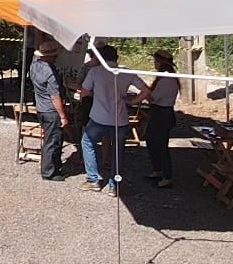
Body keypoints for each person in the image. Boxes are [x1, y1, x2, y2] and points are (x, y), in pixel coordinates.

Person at [78, 44, 147, 193]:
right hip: (120, 118)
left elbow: (84, 91)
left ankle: (93, 179)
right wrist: (132, 101)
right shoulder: (126, 72)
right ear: (117, 58)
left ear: (100, 58)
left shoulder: (95, 72)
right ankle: (114, 185)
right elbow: (146, 90)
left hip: (98, 117)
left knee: (87, 142)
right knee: (118, 150)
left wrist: (96, 93)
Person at [29, 37, 70, 181]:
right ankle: (49, 172)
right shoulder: (50, 72)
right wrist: (63, 116)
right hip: (51, 110)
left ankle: (53, 167)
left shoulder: (34, 66)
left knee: (50, 140)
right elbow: (55, 96)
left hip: (41, 108)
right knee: (52, 141)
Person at [142, 49, 181, 188]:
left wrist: (144, 94)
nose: (155, 63)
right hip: (161, 112)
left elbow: (154, 98)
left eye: (156, 61)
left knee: (161, 145)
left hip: (162, 113)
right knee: (152, 141)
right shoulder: (167, 78)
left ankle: (167, 176)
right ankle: (157, 170)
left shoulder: (166, 79)